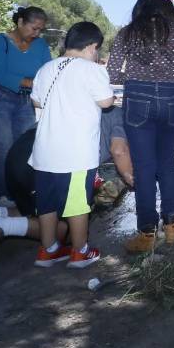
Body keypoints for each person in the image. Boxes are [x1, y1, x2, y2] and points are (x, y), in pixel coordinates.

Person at [0, 106, 134, 270]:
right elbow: (119, 151)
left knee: (39, 208)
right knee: (70, 229)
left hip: (20, 153)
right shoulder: (120, 117)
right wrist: (132, 179)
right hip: (48, 161)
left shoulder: (82, 105)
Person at [106, 0, 174, 253]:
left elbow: (112, 73)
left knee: (145, 168)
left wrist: (136, 76)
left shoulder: (128, 32)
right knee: (168, 165)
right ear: (166, 9)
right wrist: (172, 74)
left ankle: (146, 234)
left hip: (137, 99)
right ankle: (172, 228)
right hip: (171, 99)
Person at [27, 22, 114, 268]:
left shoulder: (46, 68)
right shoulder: (91, 69)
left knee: (46, 203)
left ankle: (49, 249)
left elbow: (36, 102)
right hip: (75, 153)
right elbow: (106, 102)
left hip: (44, 152)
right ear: (92, 47)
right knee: (77, 203)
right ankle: (80, 251)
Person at [0, 6, 52, 205]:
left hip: (26, 101)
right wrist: (29, 81)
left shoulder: (41, 45)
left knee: (22, 149)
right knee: (2, 147)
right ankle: (0, 197)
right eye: (33, 28)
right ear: (20, 22)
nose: (36, 33)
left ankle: (19, 196)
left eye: (40, 29)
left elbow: (46, 71)